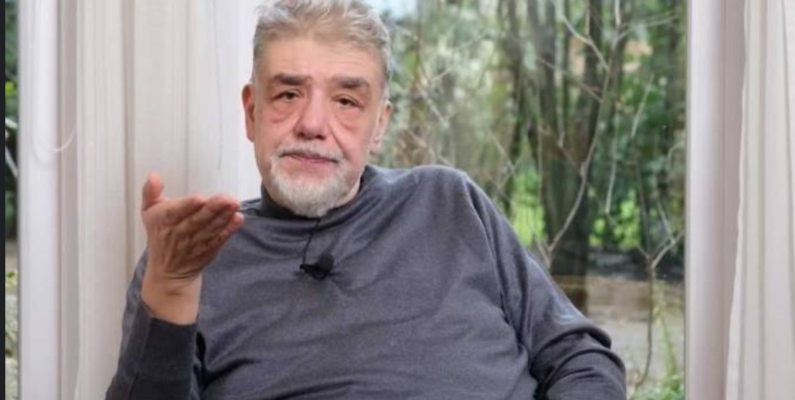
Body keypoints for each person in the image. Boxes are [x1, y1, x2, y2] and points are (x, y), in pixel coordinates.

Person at [106, 1, 626, 399]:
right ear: (252, 112)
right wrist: (171, 288)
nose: (313, 124)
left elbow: (581, 359)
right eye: (288, 94)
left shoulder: (449, 204)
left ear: (380, 124)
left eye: (346, 101)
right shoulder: (190, 258)